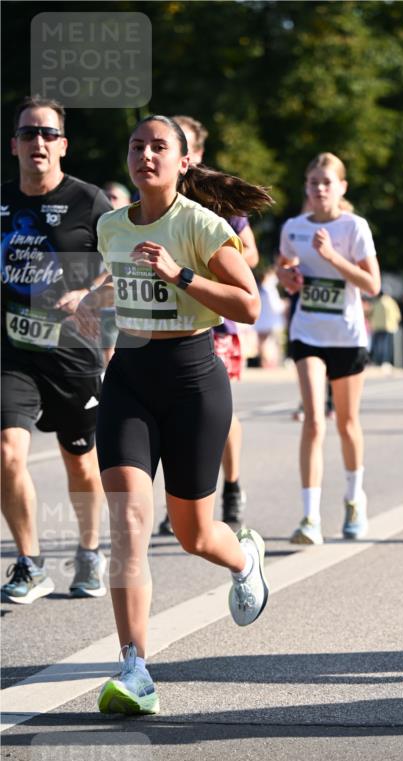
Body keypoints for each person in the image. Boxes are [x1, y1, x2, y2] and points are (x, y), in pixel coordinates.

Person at [78, 114, 271, 715]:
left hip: (193, 382)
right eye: (137, 146)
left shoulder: (202, 224)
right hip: (129, 381)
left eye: (159, 147)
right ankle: (135, 670)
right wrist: (93, 302)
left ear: (184, 161)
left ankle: (244, 559)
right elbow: (117, 285)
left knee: (193, 535)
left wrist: (180, 274)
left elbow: (249, 304)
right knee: (129, 521)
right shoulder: (111, 224)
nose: (145, 156)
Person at [1, 96, 110, 604]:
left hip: (72, 351)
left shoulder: (88, 201)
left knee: (80, 461)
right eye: (28, 134)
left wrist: (88, 293)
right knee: (7, 452)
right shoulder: (2, 201)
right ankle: (30, 562)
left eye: (47, 134)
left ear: (63, 145)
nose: (37, 142)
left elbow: (123, 258)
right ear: (14, 145)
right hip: (13, 350)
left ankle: (89, 549)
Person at [157, 115, 260, 536]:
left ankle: (231, 487)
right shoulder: (155, 199)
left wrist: (212, 265)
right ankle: (181, 502)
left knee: (214, 409)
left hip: (216, 320)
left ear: (193, 155)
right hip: (168, 317)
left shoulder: (216, 207)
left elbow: (249, 256)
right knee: (170, 413)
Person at [277, 152, 380, 544]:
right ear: (306, 188)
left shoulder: (355, 228)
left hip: (347, 337)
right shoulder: (294, 227)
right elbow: (285, 268)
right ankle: (310, 518)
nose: (320, 189)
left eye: (327, 182)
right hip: (308, 333)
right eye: (313, 183)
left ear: (341, 188)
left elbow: (372, 285)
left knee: (346, 424)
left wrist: (332, 257)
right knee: (314, 421)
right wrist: (289, 277)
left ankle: (354, 498)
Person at [369, 288, 401, 366]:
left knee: (381, 346)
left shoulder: (378, 302)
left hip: (381, 327)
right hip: (385, 327)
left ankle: (380, 361)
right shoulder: (389, 302)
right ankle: (382, 361)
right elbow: (397, 315)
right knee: (384, 346)